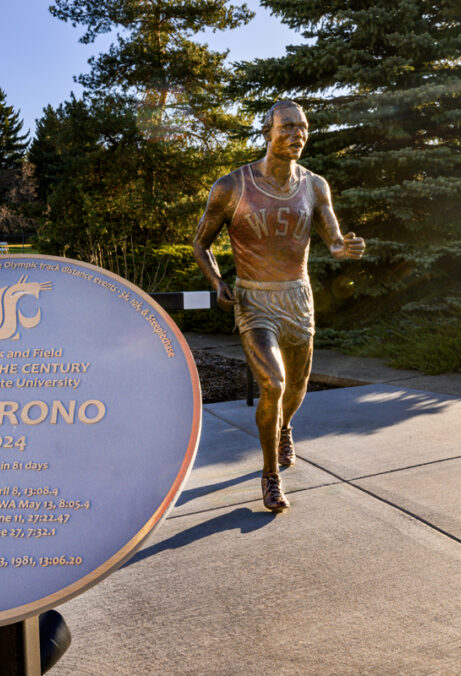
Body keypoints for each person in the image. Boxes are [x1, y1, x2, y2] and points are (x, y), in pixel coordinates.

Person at [193, 100, 365, 512]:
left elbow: (334, 238)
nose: (296, 134)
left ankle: (285, 426)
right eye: (286, 126)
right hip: (254, 298)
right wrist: (217, 282)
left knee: (297, 387)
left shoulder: (315, 185)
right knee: (273, 383)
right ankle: (270, 476)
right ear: (267, 133)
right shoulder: (232, 186)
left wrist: (344, 249)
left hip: (298, 297)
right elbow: (200, 242)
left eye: (303, 128)